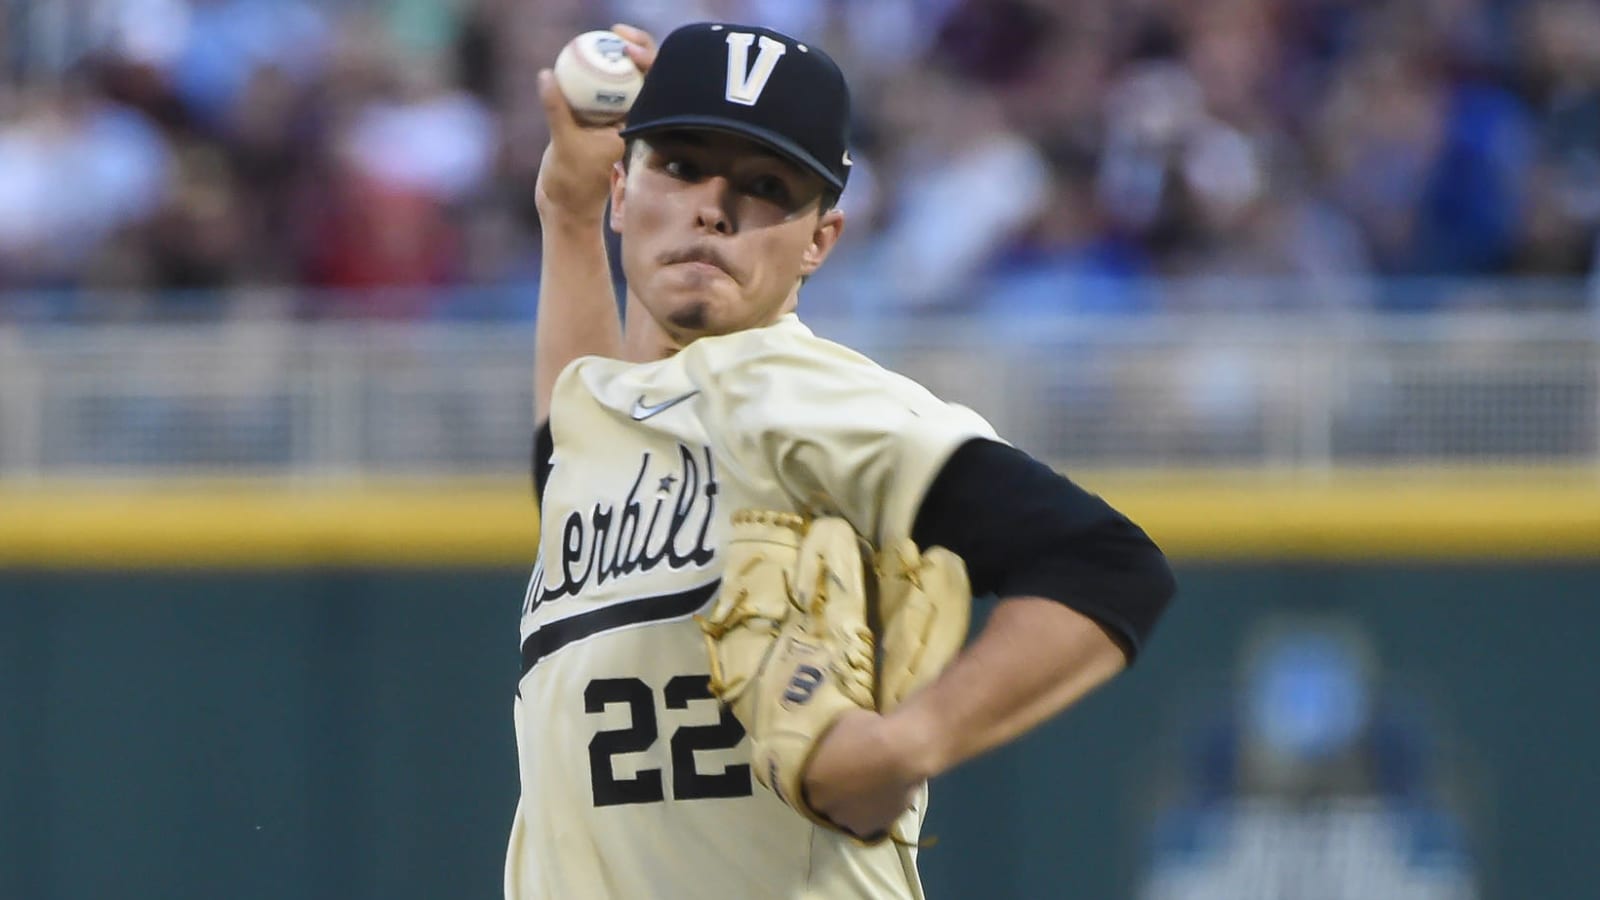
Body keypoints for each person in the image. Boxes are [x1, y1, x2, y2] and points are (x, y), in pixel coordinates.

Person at [510, 20, 1177, 900]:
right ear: (623, 191)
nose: (713, 206)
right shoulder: (613, 412)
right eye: (680, 164)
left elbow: (1108, 563)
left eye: (764, 186)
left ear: (819, 241)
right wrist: (565, 213)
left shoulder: (797, 392)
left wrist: (911, 741)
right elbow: (568, 453)